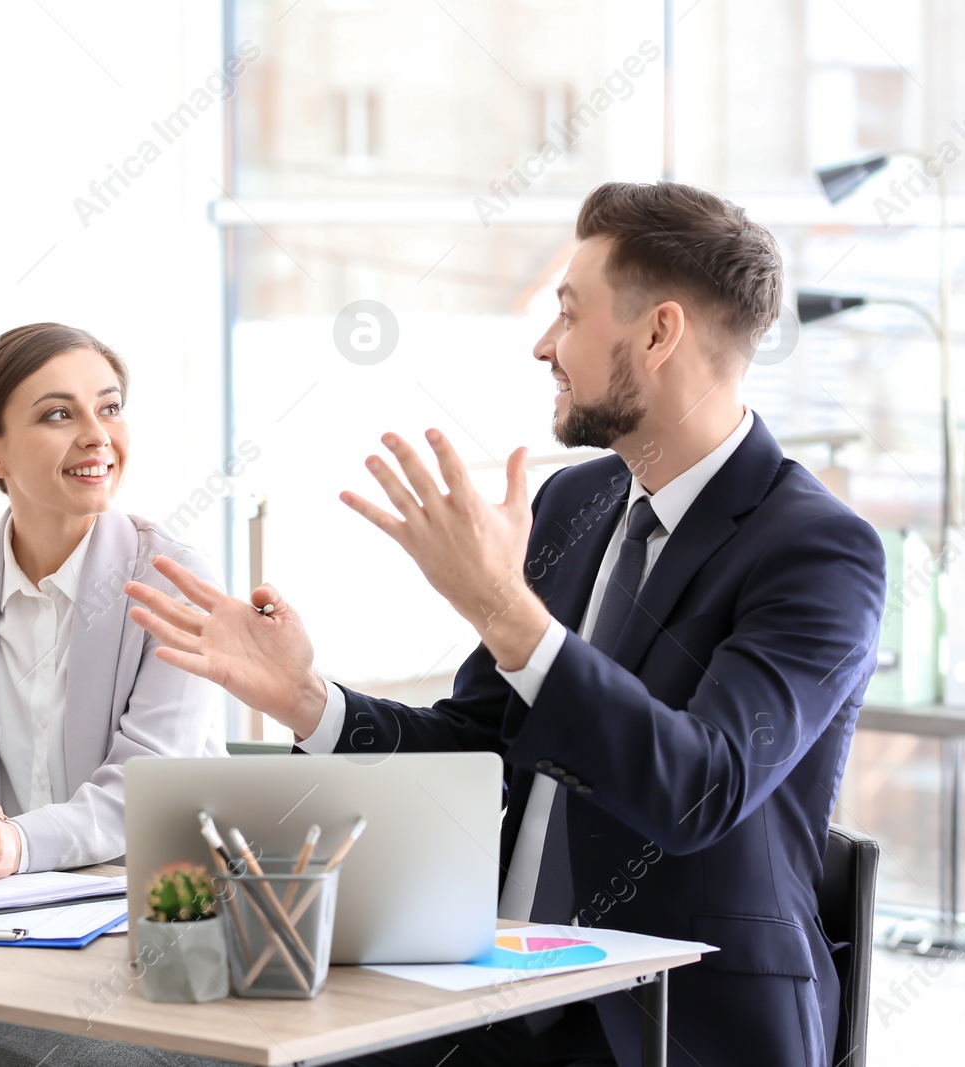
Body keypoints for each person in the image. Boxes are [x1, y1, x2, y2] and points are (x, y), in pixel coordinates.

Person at [124, 182, 886, 1066]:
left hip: (672, 1020)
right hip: (491, 995)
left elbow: (700, 789)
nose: (543, 346)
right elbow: (480, 742)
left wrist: (504, 609)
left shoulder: (820, 550)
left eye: (567, 315)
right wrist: (305, 697)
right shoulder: (576, 500)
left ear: (658, 332)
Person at [0, 323, 226, 1067]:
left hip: (171, 944)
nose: (96, 435)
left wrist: (16, 843)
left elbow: (153, 787)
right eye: (57, 414)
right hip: (25, 936)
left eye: (109, 408)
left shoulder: (174, 580)